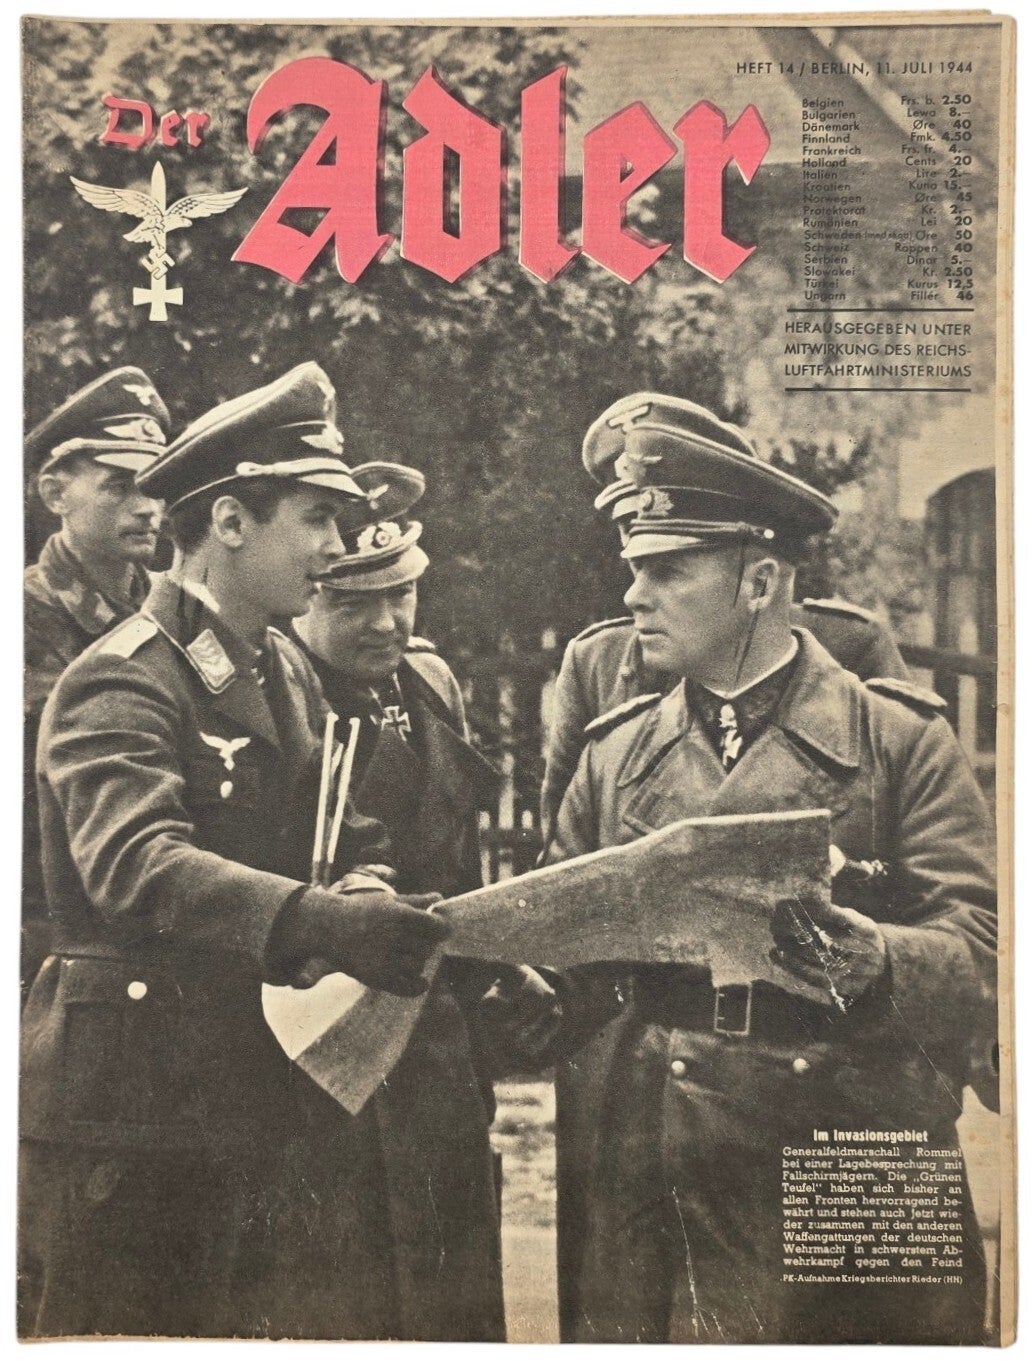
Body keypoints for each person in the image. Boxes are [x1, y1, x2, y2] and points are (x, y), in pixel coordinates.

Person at [535, 394, 996, 1343]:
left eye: (668, 570)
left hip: (840, 1163)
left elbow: (987, 954)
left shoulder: (898, 742)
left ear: (759, 582)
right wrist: (517, 984)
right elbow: (559, 948)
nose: (634, 596)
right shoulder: (613, 757)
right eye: (634, 568)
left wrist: (883, 958)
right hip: (657, 1173)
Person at [19, 363, 452, 1340]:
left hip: (242, 1091)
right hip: (127, 1109)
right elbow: (134, 864)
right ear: (227, 521)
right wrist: (318, 918)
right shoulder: (121, 678)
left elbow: (340, 829)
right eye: (316, 517)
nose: (334, 545)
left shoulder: (281, 667)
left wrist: (366, 886)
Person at [291, 461, 507, 1337]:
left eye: (402, 593)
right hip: (327, 1056)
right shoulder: (279, 698)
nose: (386, 622)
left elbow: (459, 858)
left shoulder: (430, 683)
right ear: (305, 594)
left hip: (441, 1046)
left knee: (453, 1295)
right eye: (355, 602)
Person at [541, 395, 910, 837]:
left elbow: (889, 792)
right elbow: (567, 845)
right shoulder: (597, 662)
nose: (641, 540)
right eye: (628, 527)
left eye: (673, 554)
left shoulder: (846, 645)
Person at [22, 367, 170, 995]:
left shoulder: (171, 616)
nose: (147, 506)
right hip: (42, 941)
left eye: (156, 486)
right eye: (119, 486)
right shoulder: (21, 618)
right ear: (55, 494)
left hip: (150, 928)